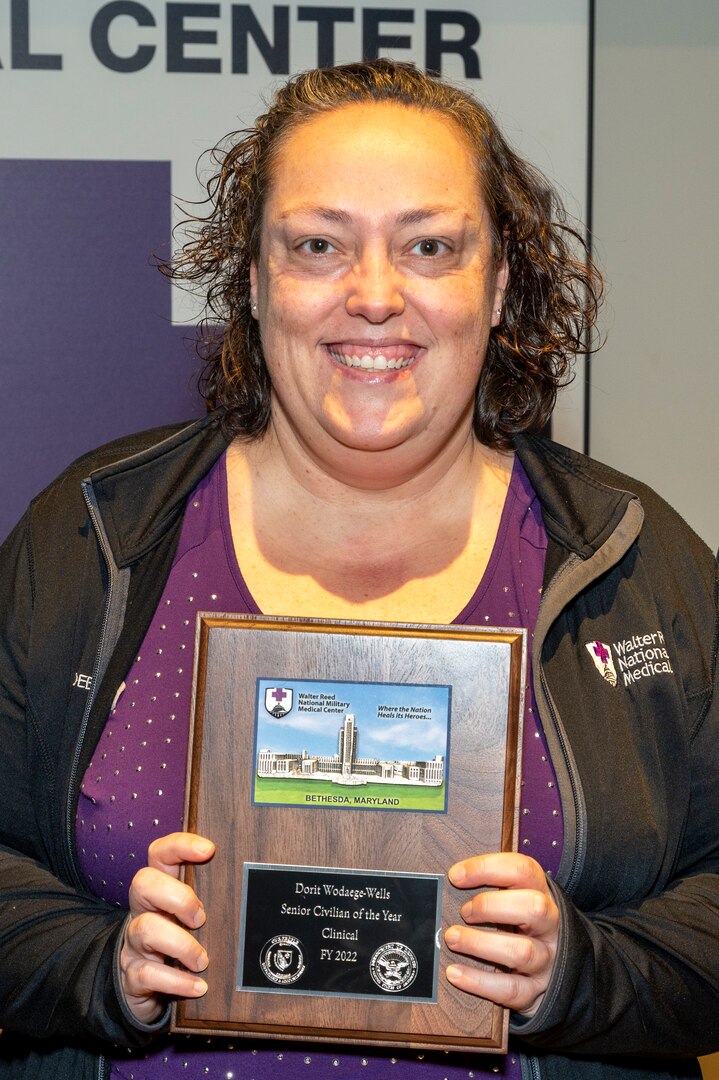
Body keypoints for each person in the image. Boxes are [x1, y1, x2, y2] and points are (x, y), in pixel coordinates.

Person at [0, 58, 717, 1080]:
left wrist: (579, 973)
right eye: (317, 245)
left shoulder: (634, 561)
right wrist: (98, 966)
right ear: (251, 280)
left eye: (429, 246)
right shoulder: (92, 536)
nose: (373, 296)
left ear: (498, 281)